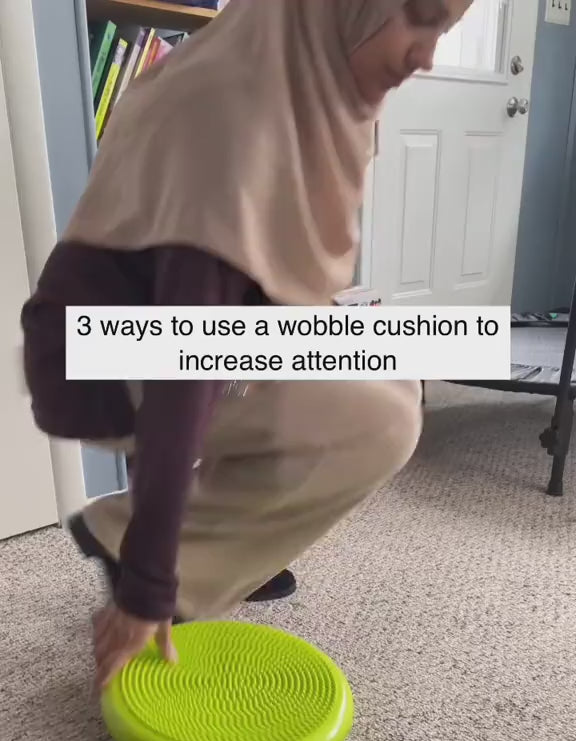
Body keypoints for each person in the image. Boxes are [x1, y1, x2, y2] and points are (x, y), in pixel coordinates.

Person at [21, 0, 470, 690]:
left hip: (150, 337)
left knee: (391, 373)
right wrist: (148, 583)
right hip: (90, 362)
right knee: (377, 421)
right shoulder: (236, 118)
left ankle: (186, 541)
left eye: (445, 30)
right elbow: (183, 369)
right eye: (419, 16)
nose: (428, 56)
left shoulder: (296, 84)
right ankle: (143, 547)